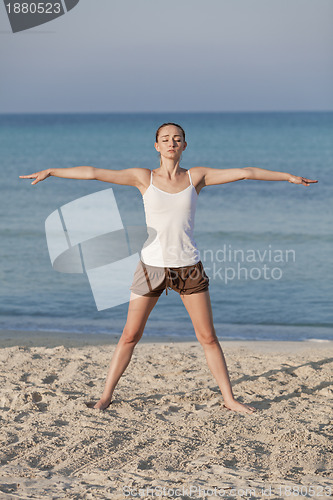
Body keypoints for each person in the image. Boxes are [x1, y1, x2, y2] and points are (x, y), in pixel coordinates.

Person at [20, 122, 318, 414]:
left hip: (188, 268)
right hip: (151, 267)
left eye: (177, 139)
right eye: (165, 139)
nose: (171, 143)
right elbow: (95, 173)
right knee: (129, 335)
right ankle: (105, 397)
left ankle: (229, 398)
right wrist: (52, 171)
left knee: (208, 338)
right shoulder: (142, 177)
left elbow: (245, 172)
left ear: (184, 145)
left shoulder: (196, 177)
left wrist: (287, 177)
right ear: (157, 145)